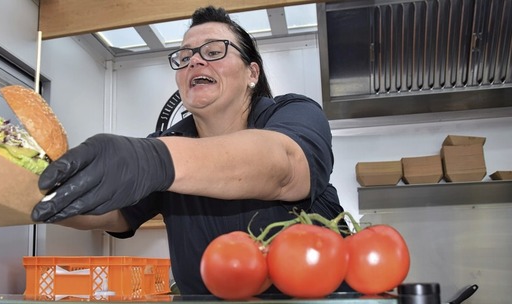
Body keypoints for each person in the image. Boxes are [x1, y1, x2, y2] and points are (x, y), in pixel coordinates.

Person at [31, 6, 345, 296]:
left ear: (252, 73)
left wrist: (154, 161)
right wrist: (21, 196)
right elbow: (114, 214)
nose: (194, 61)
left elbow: (284, 166)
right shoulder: (168, 141)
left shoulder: (295, 114)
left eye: (213, 51)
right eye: (184, 57)